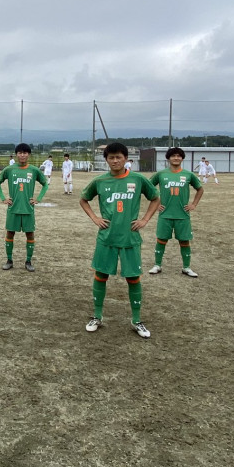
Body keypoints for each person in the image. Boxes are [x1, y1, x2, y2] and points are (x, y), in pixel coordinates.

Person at [79, 142, 160, 335]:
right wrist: (95, 218)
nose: (115, 161)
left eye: (119, 157)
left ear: (126, 159)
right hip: (106, 237)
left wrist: (145, 220)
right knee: (101, 276)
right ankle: (97, 316)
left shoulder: (138, 179)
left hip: (130, 238)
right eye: (111, 157)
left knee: (133, 278)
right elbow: (83, 199)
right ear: (106, 160)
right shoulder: (100, 181)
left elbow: (155, 198)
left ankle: (137, 320)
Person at [148, 147, 204, 277]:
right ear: (168, 158)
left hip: (182, 215)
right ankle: (157, 265)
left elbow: (200, 189)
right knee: (161, 240)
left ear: (182, 158)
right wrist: (156, 204)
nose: (176, 158)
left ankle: (186, 267)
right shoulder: (161, 174)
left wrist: (193, 204)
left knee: (184, 241)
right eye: (173, 156)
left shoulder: (188, 174)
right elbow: (148, 187)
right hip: (165, 214)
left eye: (179, 156)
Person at [0, 142, 49, 272]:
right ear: (16, 154)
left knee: (30, 234)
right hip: (13, 209)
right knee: (10, 233)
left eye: (25, 153)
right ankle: (9, 260)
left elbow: (45, 184)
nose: (22, 155)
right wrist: (3, 198)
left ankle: (28, 261)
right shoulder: (9, 169)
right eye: (20, 153)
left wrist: (38, 199)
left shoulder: (34, 170)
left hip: (28, 209)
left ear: (29, 155)